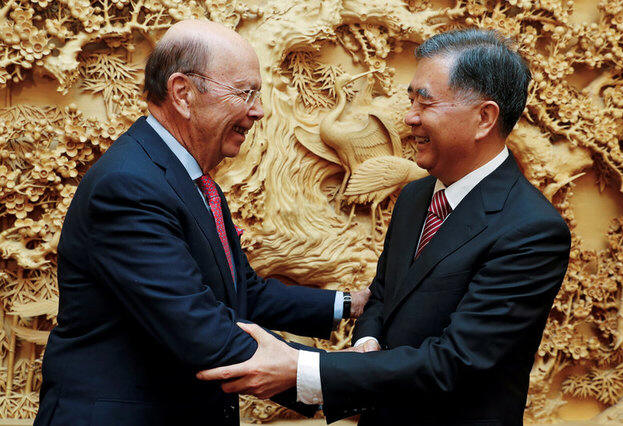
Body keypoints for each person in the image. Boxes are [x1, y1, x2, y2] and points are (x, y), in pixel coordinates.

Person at [197, 29, 571, 426]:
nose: (410, 118)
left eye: (425, 102)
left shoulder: (531, 230)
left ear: (484, 118)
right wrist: (367, 342)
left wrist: (304, 370)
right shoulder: (415, 197)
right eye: (411, 101)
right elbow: (382, 297)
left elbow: (456, 362)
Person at [34, 20, 369, 426]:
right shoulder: (129, 186)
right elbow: (198, 326)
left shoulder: (189, 179)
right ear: (183, 93)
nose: (258, 111)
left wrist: (351, 304)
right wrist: (342, 376)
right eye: (245, 93)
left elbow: (242, 293)